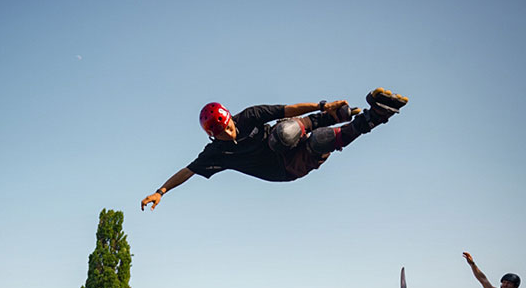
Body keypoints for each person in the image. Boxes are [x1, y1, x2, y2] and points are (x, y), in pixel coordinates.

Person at [141, 89, 408, 211]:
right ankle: (374, 117)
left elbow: (288, 110)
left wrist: (321, 105)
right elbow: (187, 170)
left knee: (285, 131)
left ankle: (334, 115)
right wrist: (160, 191)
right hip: (285, 168)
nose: (230, 132)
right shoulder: (216, 154)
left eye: (229, 125)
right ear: (213, 135)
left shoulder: (249, 116)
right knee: (319, 142)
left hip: (282, 141)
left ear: (230, 116)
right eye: (222, 132)